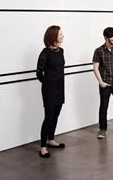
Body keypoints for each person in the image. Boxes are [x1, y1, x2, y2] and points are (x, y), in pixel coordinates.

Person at [36, 25, 66, 158]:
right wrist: (48, 83)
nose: (63, 36)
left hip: (60, 88)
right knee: (48, 117)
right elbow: (39, 73)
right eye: (60, 34)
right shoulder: (45, 52)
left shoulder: (61, 51)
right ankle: (43, 147)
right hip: (49, 89)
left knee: (56, 115)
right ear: (53, 37)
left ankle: (51, 139)